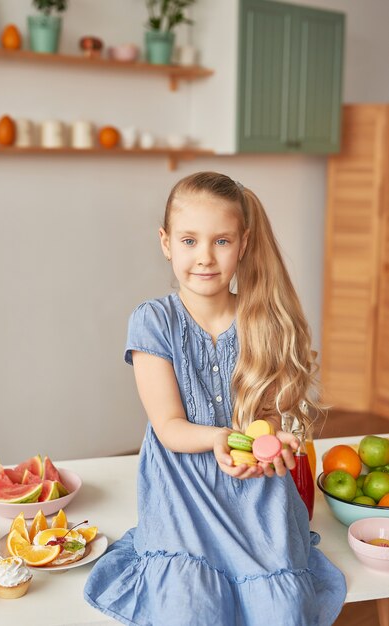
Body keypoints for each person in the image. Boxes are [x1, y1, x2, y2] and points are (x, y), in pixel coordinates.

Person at [84, 171, 346, 625]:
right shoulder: (153, 321)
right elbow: (168, 427)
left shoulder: (265, 321)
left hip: (256, 496)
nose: (204, 257)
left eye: (221, 242)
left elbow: (267, 419)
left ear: (243, 244)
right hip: (182, 493)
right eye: (189, 241)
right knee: (188, 610)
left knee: (283, 612)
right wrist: (224, 438)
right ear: (166, 242)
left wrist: (275, 444)